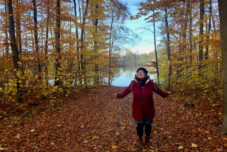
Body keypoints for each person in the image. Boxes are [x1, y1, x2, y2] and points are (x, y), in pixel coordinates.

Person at [115, 67, 170, 147]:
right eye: (138, 72)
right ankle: (140, 140)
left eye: (141, 72)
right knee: (139, 126)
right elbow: (126, 91)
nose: (140, 73)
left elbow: (158, 91)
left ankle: (147, 139)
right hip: (137, 109)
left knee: (148, 125)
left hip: (149, 109)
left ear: (145, 74)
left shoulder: (150, 83)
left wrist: (166, 94)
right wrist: (119, 96)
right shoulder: (133, 83)